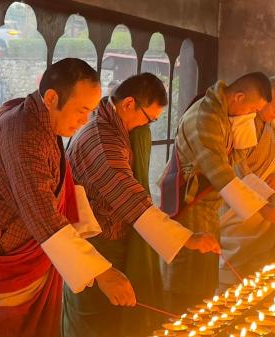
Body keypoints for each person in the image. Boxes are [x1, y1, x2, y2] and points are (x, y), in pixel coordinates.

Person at [0, 59, 136, 337]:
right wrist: (103, 273)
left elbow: (60, 184)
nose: (84, 120)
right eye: (81, 110)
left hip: (27, 255)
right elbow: (43, 214)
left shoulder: (39, 121)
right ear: (52, 98)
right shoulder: (24, 134)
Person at [62, 73, 220, 337]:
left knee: (113, 320)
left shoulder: (114, 129)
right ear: (128, 104)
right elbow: (132, 200)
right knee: (95, 324)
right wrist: (188, 239)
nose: (147, 126)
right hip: (95, 247)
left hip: (111, 242)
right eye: (149, 119)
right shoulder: (103, 142)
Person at [160, 72, 275, 311]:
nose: (253, 116)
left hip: (209, 207)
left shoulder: (225, 115)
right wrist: (262, 209)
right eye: (252, 109)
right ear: (239, 97)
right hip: (190, 206)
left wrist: (269, 196)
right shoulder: (205, 119)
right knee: (187, 282)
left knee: (204, 279)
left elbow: (238, 163)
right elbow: (222, 175)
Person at [216, 76, 275, 291]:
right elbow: (237, 170)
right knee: (229, 275)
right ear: (263, 99)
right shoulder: (240, 121)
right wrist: (266, 200)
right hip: (237, 208)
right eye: (274, 106)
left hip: (266, 208)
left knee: (257, 270)